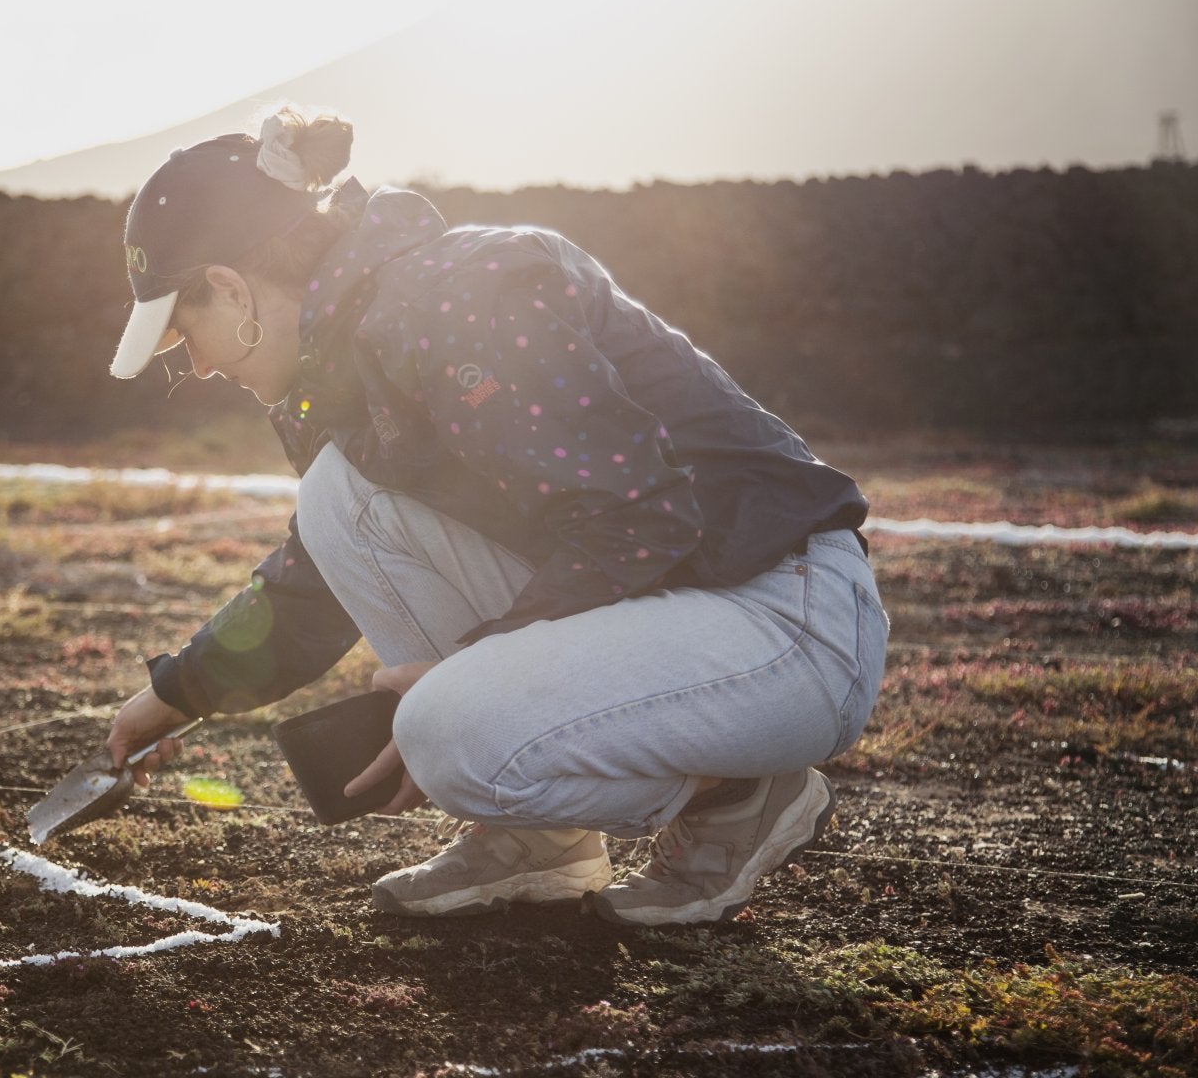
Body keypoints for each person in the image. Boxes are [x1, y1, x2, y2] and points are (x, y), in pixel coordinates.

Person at [102, 105, 888, 925]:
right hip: (678, 600)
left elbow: (635, 515)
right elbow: (318, 575)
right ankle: (538, 841)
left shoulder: (457, 297)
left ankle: (738, 798)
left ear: (231, 288)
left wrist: (472, 676)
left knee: (448, 732)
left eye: (184, 330)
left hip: (784, 616)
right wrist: (177, 691)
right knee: (338, 498)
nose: (196, 366)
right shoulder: (337, 360)